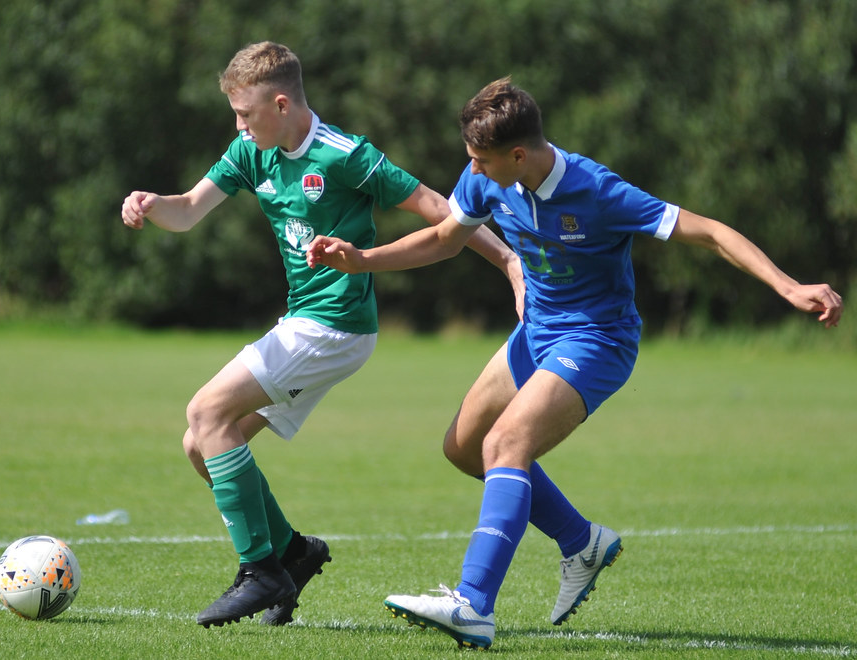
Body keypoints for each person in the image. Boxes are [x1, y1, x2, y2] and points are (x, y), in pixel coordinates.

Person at [306, 76, 843, 649]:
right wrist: (364, 260)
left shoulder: (597, 189)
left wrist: (789, 287)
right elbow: (444, 238)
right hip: (536, 332)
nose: (473, 171)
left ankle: (472, 604)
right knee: (463, 448)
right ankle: (580, 543)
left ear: (518, 154)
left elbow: (709, 233)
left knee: (503, 446)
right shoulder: (487, 178)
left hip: (597, 340)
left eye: (481, 161)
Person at [120, 43, 521, 629]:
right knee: (201, 443)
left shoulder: (344, 155)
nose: (238, 125)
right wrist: (151, 205)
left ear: (281, 104)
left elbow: (439, 208)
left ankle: (260, 571)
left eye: (245, 113)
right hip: (306, 325)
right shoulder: (250, 152)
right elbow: (186, 210)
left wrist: (510, 263)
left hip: (335, 325)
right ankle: (292, 553)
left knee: (205, 410)